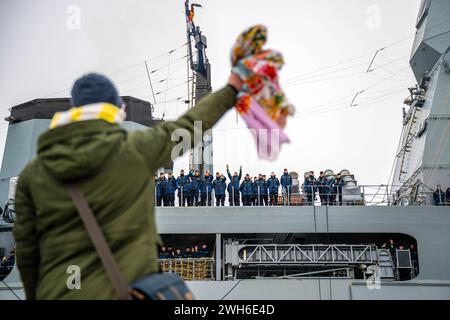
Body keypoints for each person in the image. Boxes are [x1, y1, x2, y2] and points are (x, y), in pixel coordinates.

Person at [13, 71, 242, 299]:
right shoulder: (137, 149)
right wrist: (231, 89)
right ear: (118, 109)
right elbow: (191, 126)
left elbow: (27, 254)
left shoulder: (31, 176)